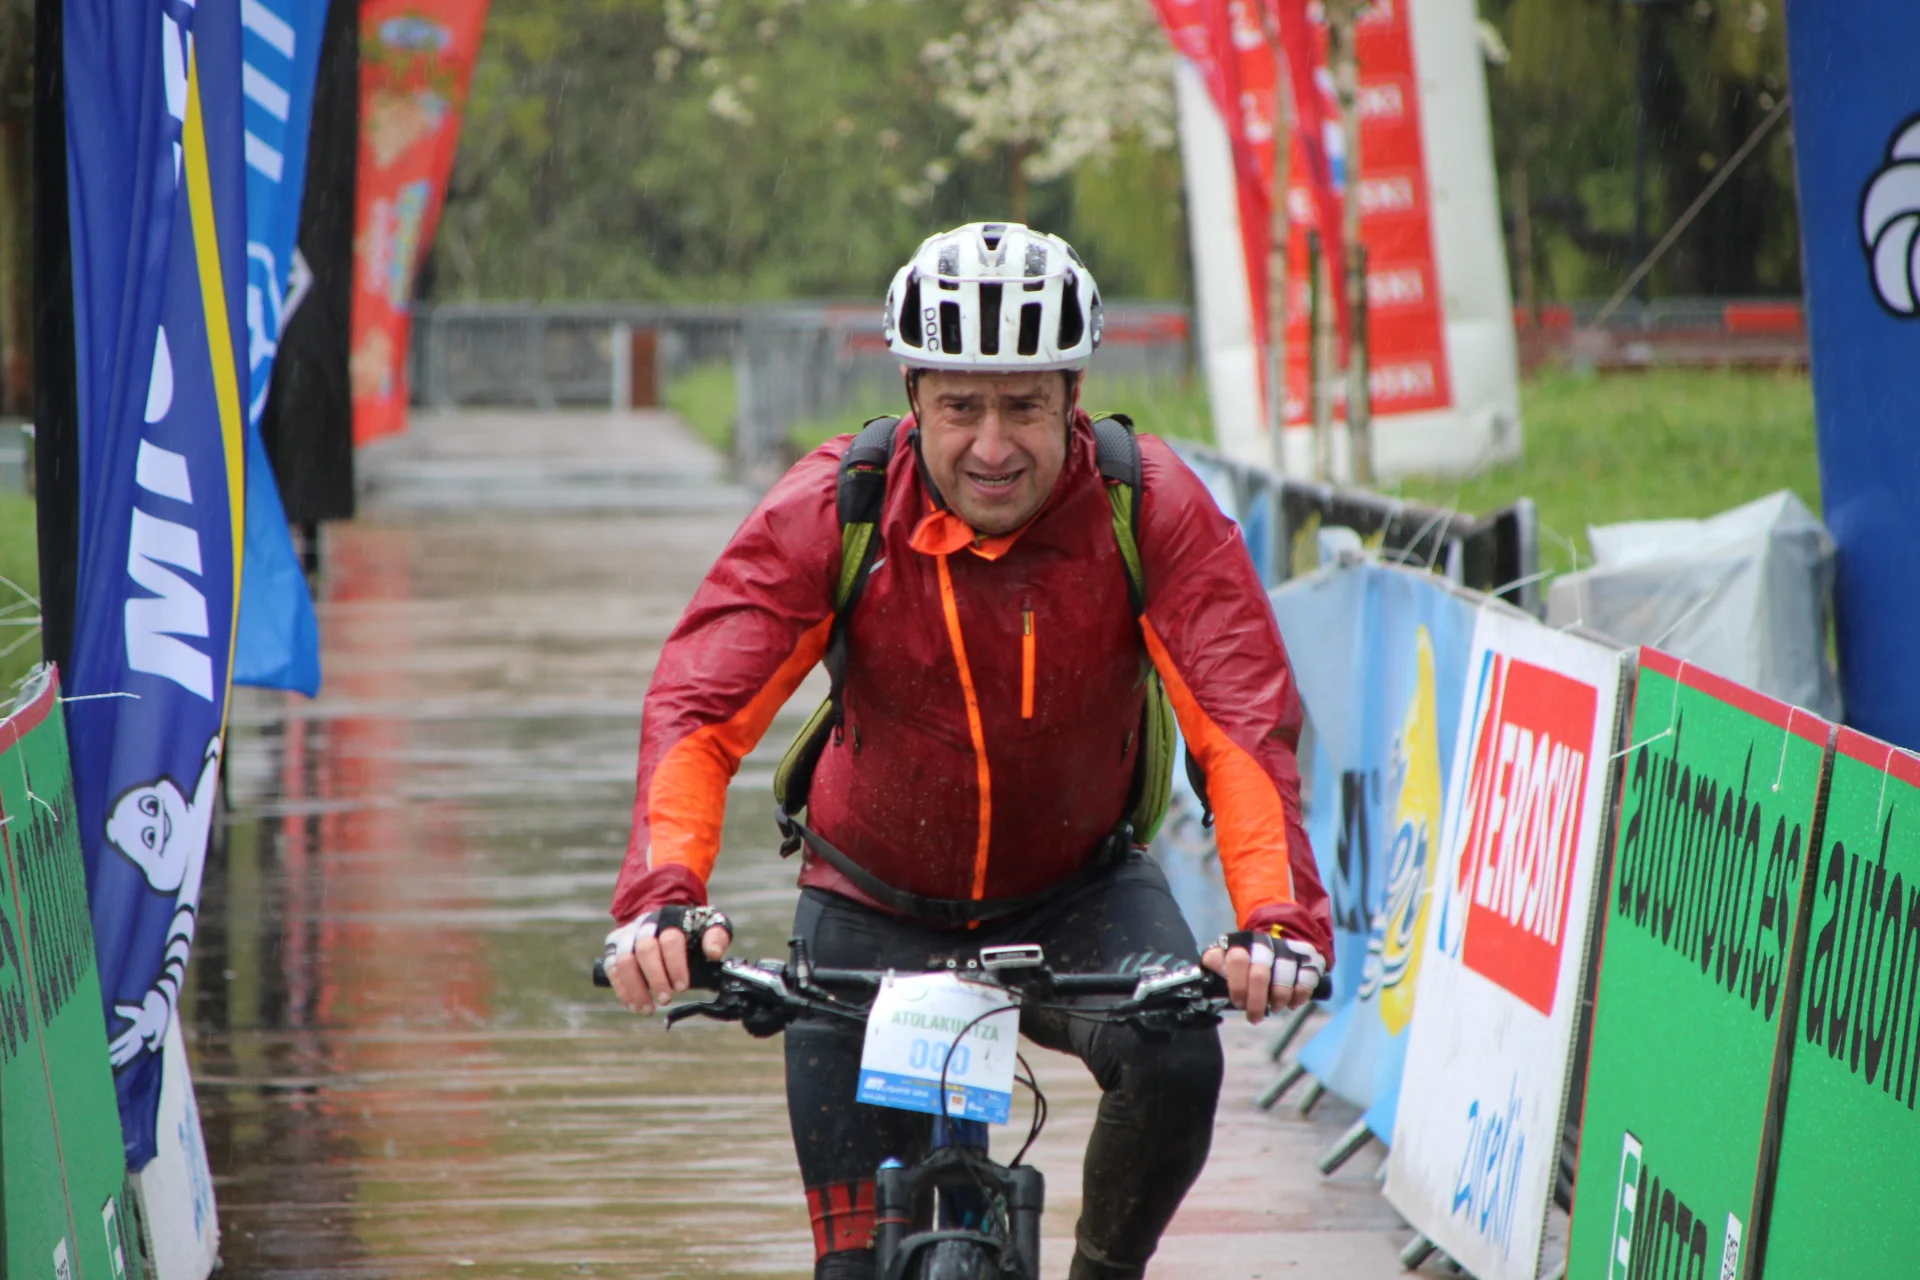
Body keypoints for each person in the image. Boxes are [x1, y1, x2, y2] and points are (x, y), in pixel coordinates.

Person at [603, 222, 1333, 1280]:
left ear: (1074, 394)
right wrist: (664, 896)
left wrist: (1274, 921)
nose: (993, 446)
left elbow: (1242, 723)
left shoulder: (1145, 504)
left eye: (1025, 405)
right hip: (870, 904)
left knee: (1178, 1058)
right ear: (913, 396)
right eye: (961, 407)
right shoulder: (840, 503)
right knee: (858, 1266)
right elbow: (698, 708)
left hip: (1075, 895)